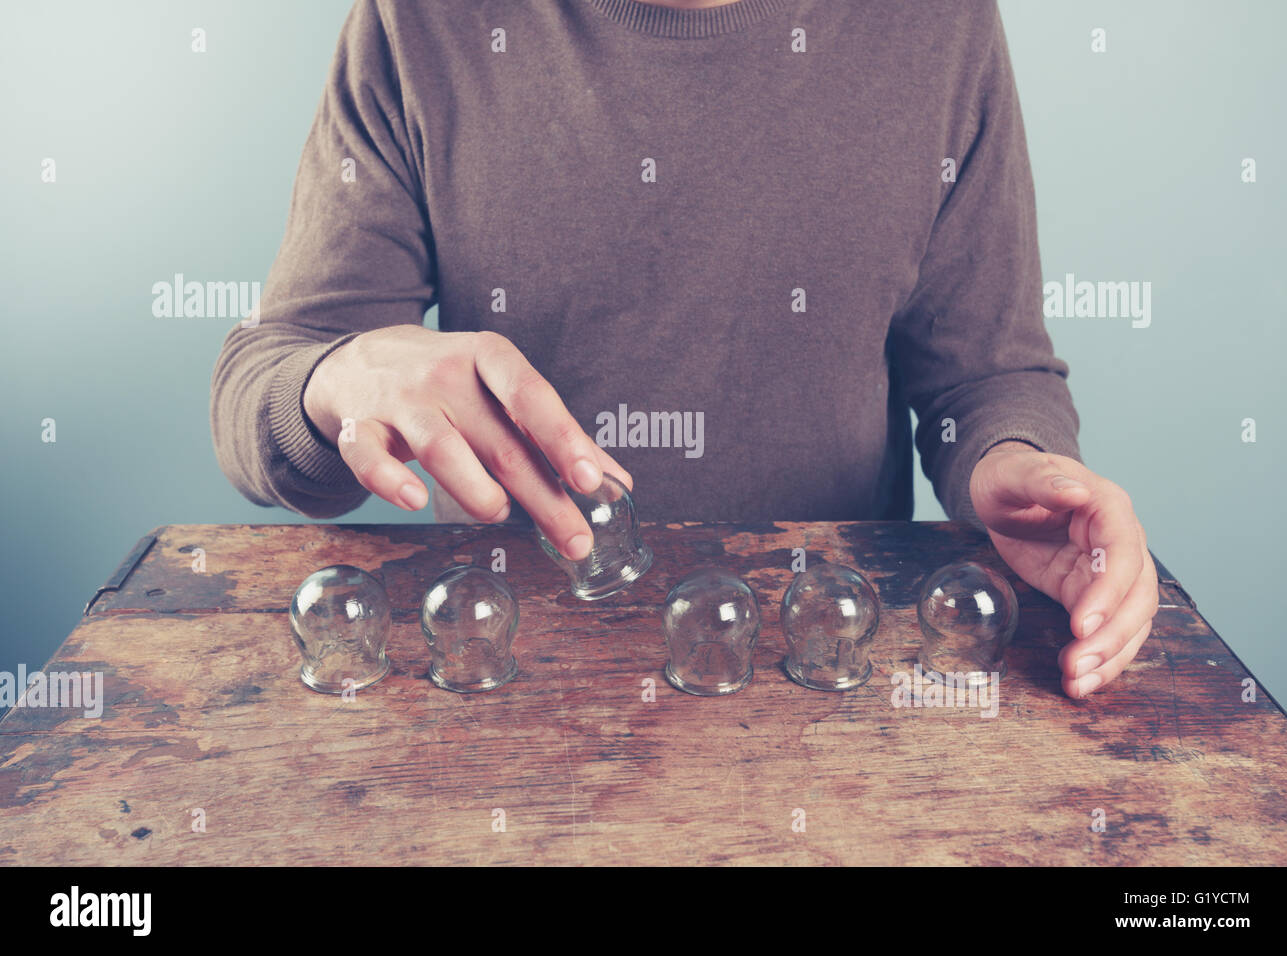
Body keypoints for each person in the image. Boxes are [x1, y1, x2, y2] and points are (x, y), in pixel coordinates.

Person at [210, 0, 1158, 699]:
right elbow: (267, 380)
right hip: (510, 678)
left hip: (824, 679)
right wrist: (336, 380)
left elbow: (984, 374)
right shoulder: (416, 24)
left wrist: (1016, 467)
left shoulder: (939, 25)